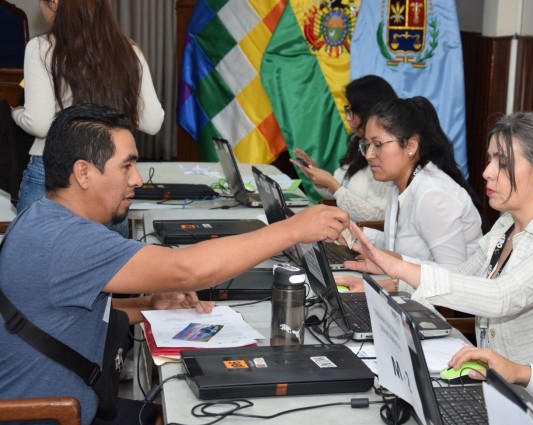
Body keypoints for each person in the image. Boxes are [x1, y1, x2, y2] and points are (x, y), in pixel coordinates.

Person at [0, 104, 349, 425]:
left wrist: (148, 305)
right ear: (83, 173)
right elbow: (186, 269)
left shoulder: (45, 217)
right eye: (127, 165)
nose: (136, 179)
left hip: (70, 404)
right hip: (47, 414)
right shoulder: (68, 240)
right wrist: (292, 229)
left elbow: (67, 311)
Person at [343, 111, 533, 369]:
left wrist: (400, 268)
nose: (487, 172)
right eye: (490, 159)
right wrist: (394, 270)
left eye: (502, 163)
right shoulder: (507, 222)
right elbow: (461, 273)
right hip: (495, 376)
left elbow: (503, 297)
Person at [11, 0, 164, 237]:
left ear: (55, 2)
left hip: (52, 172)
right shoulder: (128, 50)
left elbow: (40, 124)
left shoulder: (41, 48)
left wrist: (16, 112)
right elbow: (152, 122)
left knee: (34, 267)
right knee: (106, 270)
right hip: (109, 174)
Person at [335, 96, 483, 291]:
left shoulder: (433, 194)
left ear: (411, 146)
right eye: (367, 145)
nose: (369, 155)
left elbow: (453, 275)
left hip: (445, 313)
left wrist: (390, 279)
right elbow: (401, 243)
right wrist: (353, 235)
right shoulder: (399, 182)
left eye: (378, 144)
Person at [291, 75, 396, 222]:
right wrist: (318, 176)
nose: (348, 118)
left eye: (352, 111)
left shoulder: (388, 151)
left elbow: (377, 217)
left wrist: (332, 185)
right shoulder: (358, 143)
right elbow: (340, 189)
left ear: (369, 113)